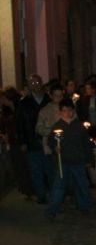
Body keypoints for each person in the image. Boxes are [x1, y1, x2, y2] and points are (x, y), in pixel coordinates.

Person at [46, 98, 93, 219]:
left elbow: (86, 144)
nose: (68, 113)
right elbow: (51, 141)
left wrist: (88, 159)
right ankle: (53, 209)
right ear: (60, 112)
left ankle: (85, 206)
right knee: (59, 186)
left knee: (81, 184)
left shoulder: (79, 126)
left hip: (78, 160)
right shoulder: (57, 127)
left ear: (73, 111)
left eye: (70, 110)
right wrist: (55, 148)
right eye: (64, 111)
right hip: (63, 162)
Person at [16, 74, 51, 203]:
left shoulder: (48, 100)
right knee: (36, 171)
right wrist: (23, 141)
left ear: (41, 83)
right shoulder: (24, 103)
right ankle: (41, 196)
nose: (35, 85)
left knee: (49, 170)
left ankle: (53, 194)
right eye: (32, 83)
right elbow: (20, 124)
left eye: (37, 83)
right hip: (31, 141)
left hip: (47, 140)